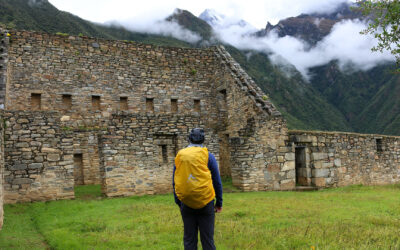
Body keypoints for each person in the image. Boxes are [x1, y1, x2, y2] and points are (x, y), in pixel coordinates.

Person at [173, 128, 223, 250]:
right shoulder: (208, 156)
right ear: (203, 140)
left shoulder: (180, 155)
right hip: (206, 202)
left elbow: (175, 179)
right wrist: (219, 202)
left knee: (189, 240)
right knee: (208, 240)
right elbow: (217, 181)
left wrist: (178, 201)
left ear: (188, 139)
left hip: (186, 202)